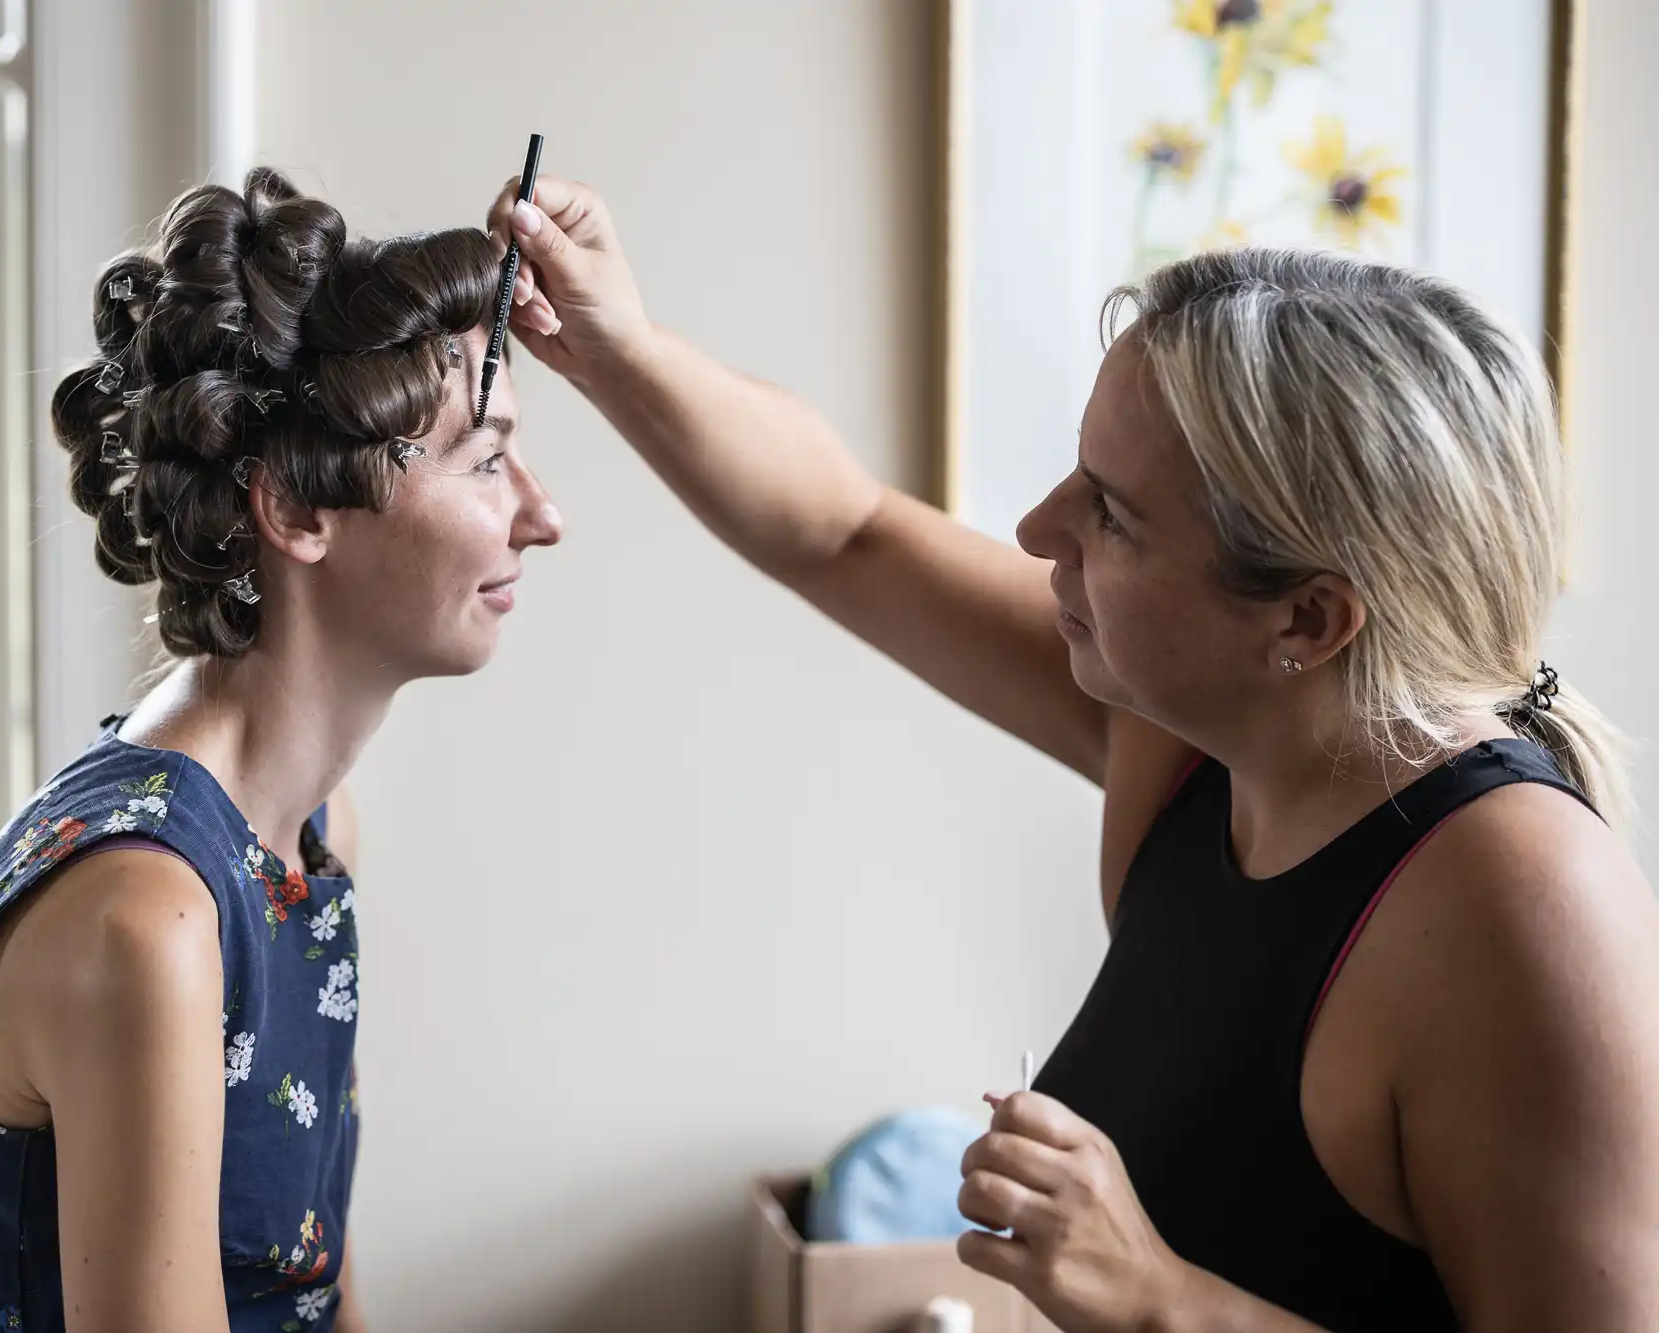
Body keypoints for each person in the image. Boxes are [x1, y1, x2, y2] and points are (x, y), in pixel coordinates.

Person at [486, 179, 1659, 1330]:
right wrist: (617, 347)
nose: (1037, 528)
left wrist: (1162, 1300)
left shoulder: (1525, 906)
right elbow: (843, 532)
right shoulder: (1198, 740)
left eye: (1109, 511)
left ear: (1305, 621)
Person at [0, 167, 561, 1333]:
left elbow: (314, 1282)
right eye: (487, 458)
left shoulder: (307, 833)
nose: (542, 515)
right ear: (298, 510)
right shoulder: (148, 922)